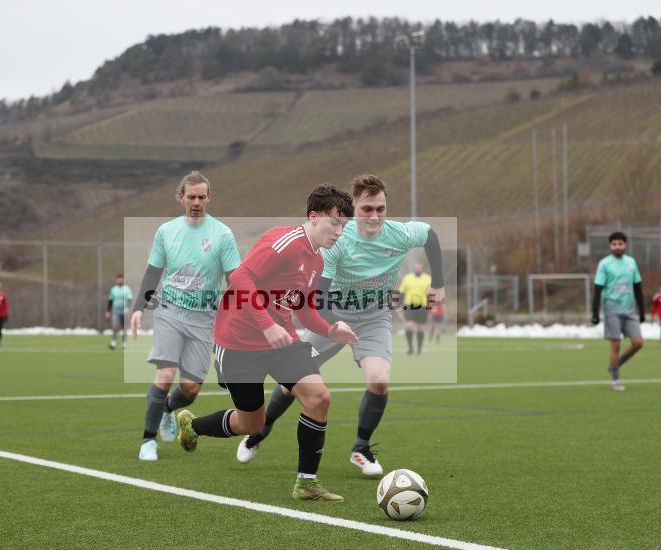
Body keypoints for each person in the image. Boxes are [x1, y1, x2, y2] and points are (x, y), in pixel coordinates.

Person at [239, 174, 445, 479]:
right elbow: (318, 297)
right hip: (334, 315)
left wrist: (438, 285)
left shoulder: (400, 234)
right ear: (354, 209)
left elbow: (430, 235)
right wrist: (331, 327)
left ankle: (361, 448)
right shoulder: (338, 242)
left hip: (374, 317)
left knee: (379, 380)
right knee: (290, 383)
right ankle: (260, 431)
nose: (374, 216)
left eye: (380, 208)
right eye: (366, 209)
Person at [175, 184, 358, 501]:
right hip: (238, 342)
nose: (339, 232)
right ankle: (193, 427)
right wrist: (267, 324)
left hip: (282, 341)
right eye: (335, 223)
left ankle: (306, 483)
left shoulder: (316, 260)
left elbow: (302, 306)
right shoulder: (284, 241)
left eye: (344, 225)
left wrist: (330, 331)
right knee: (251, 423)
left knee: (318, 397)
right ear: (313, 217)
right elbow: (240, 278)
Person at [129, 171, 241, 462]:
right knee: (165, 374)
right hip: (169, 312)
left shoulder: (223, 234)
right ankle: (148, 440)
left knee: (190, 389)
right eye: (191, 196)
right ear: (181, 197)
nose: (196, 202)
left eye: (201, 197)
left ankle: (167, 409)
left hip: (205, 319)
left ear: (209, 198)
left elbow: (235, 279)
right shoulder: (166, 231)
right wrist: (138, 310)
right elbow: (154, 272)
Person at [591, 231, 644, 392]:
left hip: (629, 309)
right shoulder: (604, 264)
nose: (617, 247)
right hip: (612, 308)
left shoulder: (631, 263)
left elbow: (637, 287)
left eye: (620, 244)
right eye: (614, 244)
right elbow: (598, 289)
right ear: (610, 246)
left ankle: (616, 363)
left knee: (638, 343)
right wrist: (594, 312)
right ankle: (615, 380)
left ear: (625, 245)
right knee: (616, 344)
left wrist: (642, 310)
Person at [398, 263, 432, 355]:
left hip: (422, 306)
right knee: (409, 325)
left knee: (420, 328)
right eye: (416, 268)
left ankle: (419, 349)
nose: (417, 269)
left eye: (419, 268)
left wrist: (431, 306)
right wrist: (399, 305)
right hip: (409, 305)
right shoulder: (407, 278)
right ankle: (410, 348)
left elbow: (431, 294)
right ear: (414, 269)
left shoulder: (428, 278)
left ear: (422, 268)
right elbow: (401, 292)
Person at [106, 274, 132, 350]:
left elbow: (129, 299)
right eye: (119, 279)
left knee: (124, 328)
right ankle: (113, 343)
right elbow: (110, 300)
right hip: (116, 310)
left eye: (122, 279)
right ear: (116, 280)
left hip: (124, 311)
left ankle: (124, 344)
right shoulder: (114, 289)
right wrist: (108, 311)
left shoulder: (127, 289)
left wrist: (127, 307)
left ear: (124, 280)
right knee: (115, 326)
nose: (120, 280)